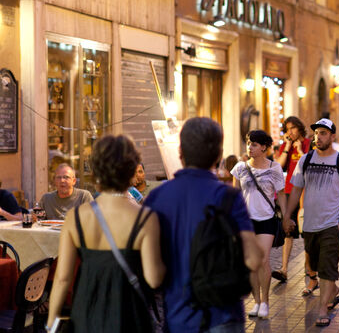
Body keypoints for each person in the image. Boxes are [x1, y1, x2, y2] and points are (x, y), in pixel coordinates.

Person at [144, 117, 263, 332]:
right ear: (218, 155)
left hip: (179, 316)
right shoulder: (229, 197)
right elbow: (254, 260)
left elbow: (153, 276)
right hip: (225, 315)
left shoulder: (157, 198)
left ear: (180, 153)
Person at [47, 135, 165, 332]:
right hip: (131, 317)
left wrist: (51, 322)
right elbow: (154, 278)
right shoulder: (146, 217)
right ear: (131, 172)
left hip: (87, 313)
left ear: (96, 173)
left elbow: (62, 278)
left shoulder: (76, 217)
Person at [283, 118, 339, 327]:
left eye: (324, 133)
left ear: (332, 136)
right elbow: (296, 188)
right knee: (314, 266)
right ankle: (332, 290)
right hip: (310, 224)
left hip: (331, 224)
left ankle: (323, 308)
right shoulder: (305, 160)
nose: (319, 136)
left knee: (327, 267)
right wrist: (288, 215)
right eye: (317, 133)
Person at [231, 130, 287, 319]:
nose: (250, 147)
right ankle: (256, 302)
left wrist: (286, 217)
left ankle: (265, 301)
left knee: (262, 260)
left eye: (254, 144)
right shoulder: (239, 168)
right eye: (248, 143)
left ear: (264, 147)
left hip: (267, 219)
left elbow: (282, 196)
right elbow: (236, 196)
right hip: (247, 221)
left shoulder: (274, 168)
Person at [272, 116, 317, 294]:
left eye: (293, 128)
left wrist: (300, 149)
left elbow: (310, 164)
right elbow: (278, 166)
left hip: (306, 191)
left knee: (306, 230)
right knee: (288, 230)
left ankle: (309, 269)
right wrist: (288, 148)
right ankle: (284, 269)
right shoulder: (286, 147)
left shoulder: (308, 143)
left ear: (299, 128)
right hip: (290, 190)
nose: (290, 132)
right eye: (287, 129)